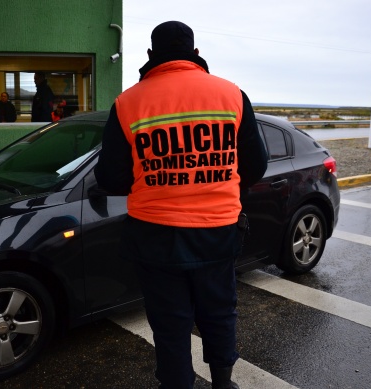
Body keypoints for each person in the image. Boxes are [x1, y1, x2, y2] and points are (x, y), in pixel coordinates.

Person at [94, 21, 268, 389]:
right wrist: (217, 183)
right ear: (196, 54)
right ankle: (224, 382)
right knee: (219, 311)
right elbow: (256, 165)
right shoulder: (231, 95)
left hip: (155, 234)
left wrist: (156, 178)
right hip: (218, 230)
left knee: (169, 320)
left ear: (151, 56)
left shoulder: (128, 102)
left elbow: (111, 177)